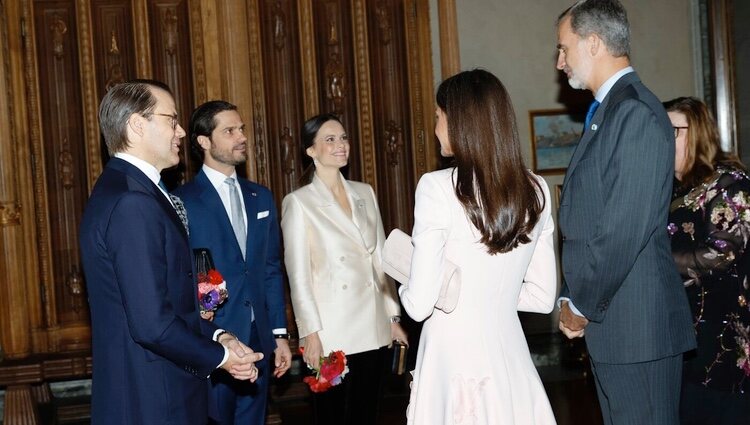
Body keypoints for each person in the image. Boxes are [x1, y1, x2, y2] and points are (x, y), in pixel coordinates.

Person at [79, 80, 262, 425]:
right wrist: (222, 356)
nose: (180, 131)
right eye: (171, 119)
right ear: (136, 124)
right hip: (152, 399)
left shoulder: (131, 188)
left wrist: (218, 334)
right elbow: (152, 324)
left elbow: (163, 301)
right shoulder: (132, 201)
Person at [554, 1, 696, 424]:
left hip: (637, 328)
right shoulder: (610, 110)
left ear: (593, 43)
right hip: (617, 327)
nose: (559, 61)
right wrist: (569, 293)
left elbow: (622, 229)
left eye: (564, 48)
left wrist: (579, 302)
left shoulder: (632, 110)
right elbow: (585, 220)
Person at [399, 69, 557, 424]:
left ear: (459, 122)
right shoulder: (537, 189)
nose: (437, 126)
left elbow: (419, 304)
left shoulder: (437, 186)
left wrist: (403, 280)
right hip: (509, 350)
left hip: (452, 353)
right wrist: (489, 298)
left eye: (439, 117)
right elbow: (543, 297)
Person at [281, 113, 408, 425]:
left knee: (368, 411)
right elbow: (298, 277)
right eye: (330, 139)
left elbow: (380, 260)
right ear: (311, 150)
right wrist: (309, 333)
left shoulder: (365, 192)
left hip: (373, 322)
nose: (341, 145)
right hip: (331, 330)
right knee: (333, 415)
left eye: (343, 137)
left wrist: (392, 316)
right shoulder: (298, 202)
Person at [174, 100, 292, 424]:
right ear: (204, 141)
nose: (241, 137)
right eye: (229, 131)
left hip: (258, 336)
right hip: (213, 339)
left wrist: (279, 335)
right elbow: (182, 275)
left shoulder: (261, 196)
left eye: (241, 129)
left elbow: (270, 269)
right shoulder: (182, 201)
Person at [663, 97, 750, 425]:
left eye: (672, 131)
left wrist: (657, 262)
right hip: (684, 340)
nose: (662, 138)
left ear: (697, 133)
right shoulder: (672, 190)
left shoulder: (728, 183)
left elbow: (721, 254)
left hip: (724, 345)